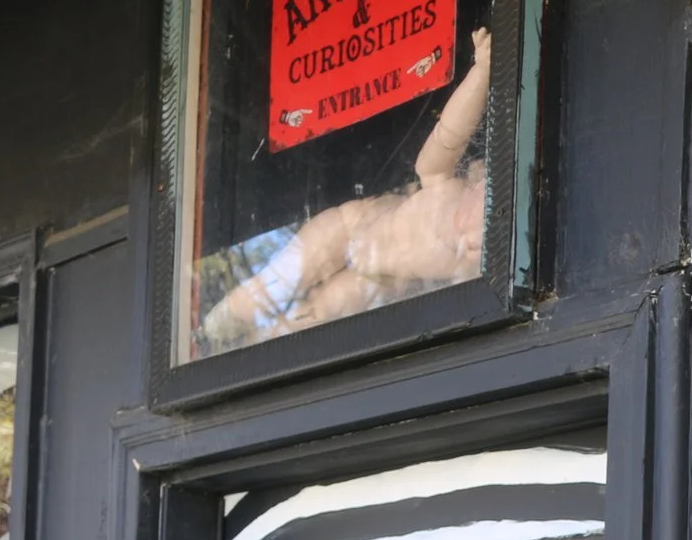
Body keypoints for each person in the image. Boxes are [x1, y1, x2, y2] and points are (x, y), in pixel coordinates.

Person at [199, 28, 494, 352]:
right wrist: (481, 72)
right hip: (351, 226)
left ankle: (243, 350)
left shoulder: (466, 264)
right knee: (287, 273)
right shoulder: (442, 185)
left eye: (479, 236)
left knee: (316, 316)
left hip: (377, 280)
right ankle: (226, 319)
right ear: (479, 182)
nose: (470, 229)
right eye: (480, 205)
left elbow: (478, 296)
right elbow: (449, 133)